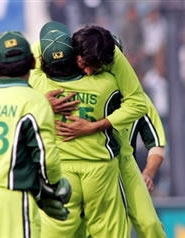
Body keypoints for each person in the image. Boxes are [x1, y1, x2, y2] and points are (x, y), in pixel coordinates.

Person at [29, 23, 149, 237]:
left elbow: (138, 102)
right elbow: (137, 103)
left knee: (147, 223)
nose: (88, 72)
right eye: (85, 64)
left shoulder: (113, 58)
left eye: (96, 67)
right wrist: (40, 103)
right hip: (98, 164)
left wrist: (94, 125)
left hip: (108, 158)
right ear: (72, 49)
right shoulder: (107, 83)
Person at [0, 31, 72, 238]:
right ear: (32, 63)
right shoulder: (34, 101)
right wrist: (54, 187)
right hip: (9, 200)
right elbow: (47, 160)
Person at [68, 25, 166, 238]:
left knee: (150, 225)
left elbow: (156, 142)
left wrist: (148, 173)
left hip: (124, 162)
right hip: (93, 162)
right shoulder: (81, 89)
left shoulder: (138, 100)